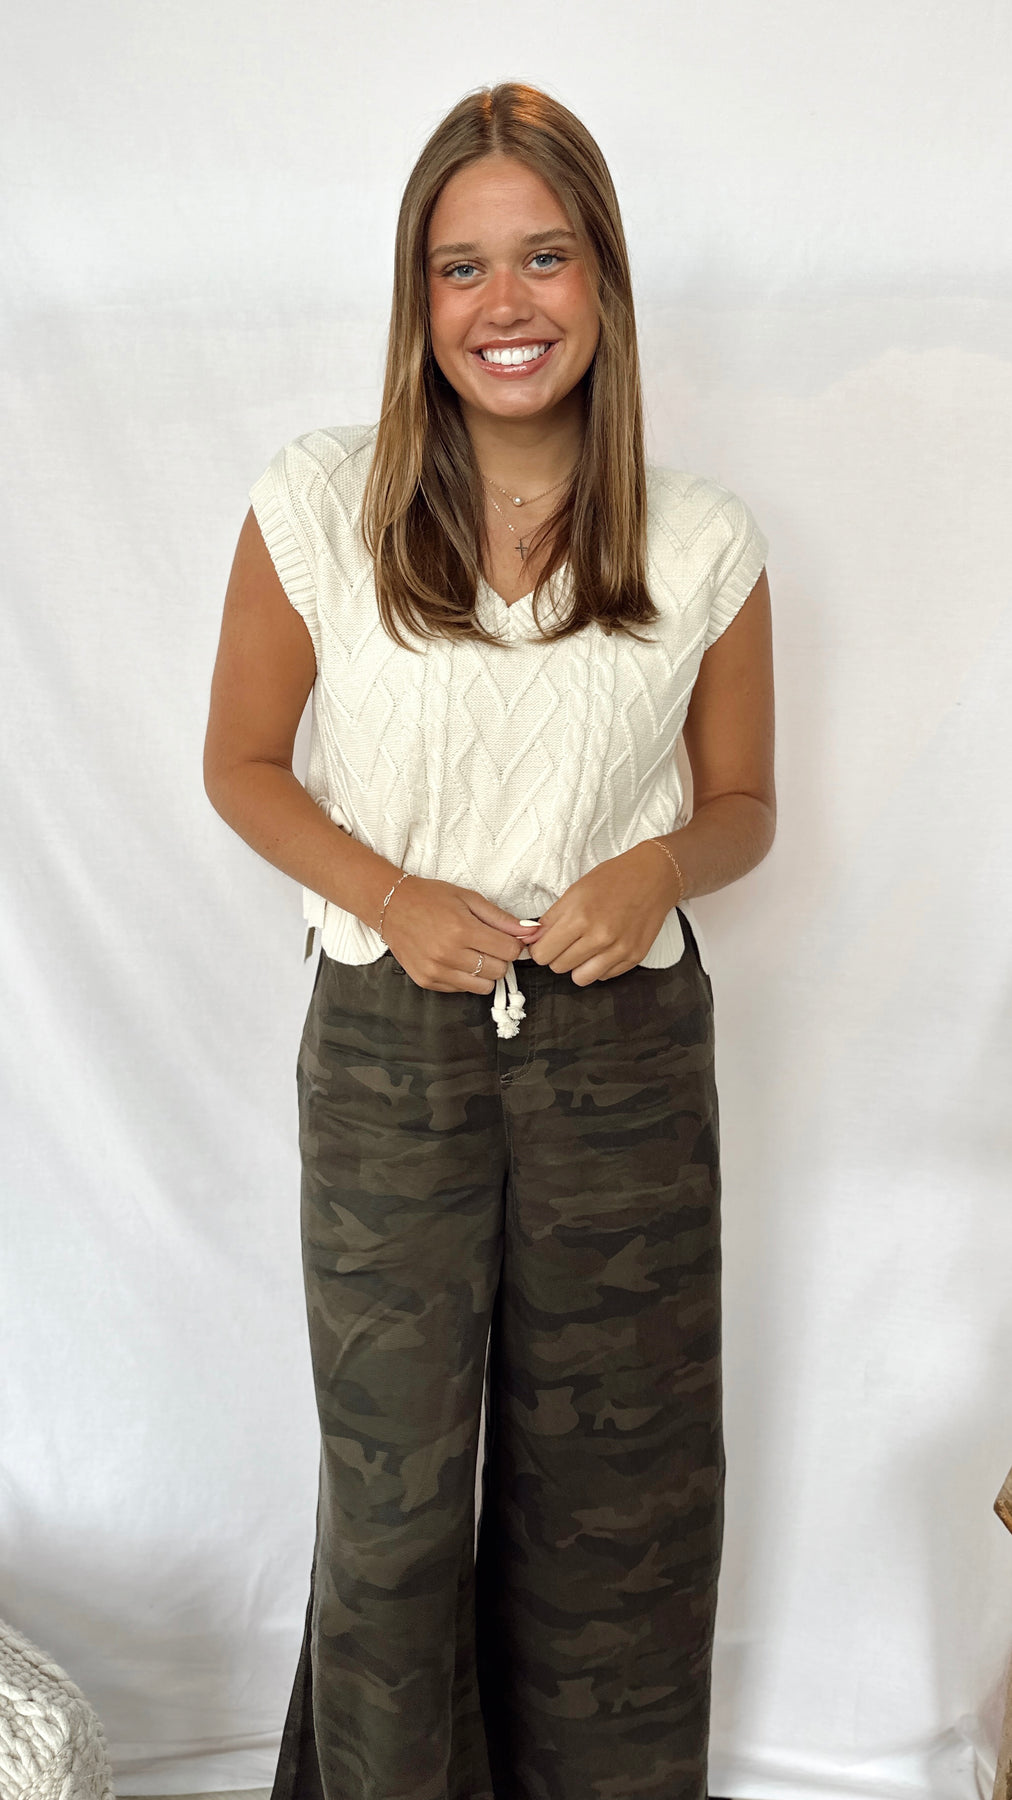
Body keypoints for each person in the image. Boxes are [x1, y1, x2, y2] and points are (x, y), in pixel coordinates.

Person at [203, 80, 775, 1800]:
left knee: (618, 1503)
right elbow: (241, 765)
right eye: (462, 268)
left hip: (623, 1056)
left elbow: (747, 806)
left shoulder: (702, 539)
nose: (504, 305)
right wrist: (392, 897)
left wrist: (660, 867)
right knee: (390, 1518)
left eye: (544, 257)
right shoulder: (320, 504)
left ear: (603, 277)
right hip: (391, 1052)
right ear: (419, 296)